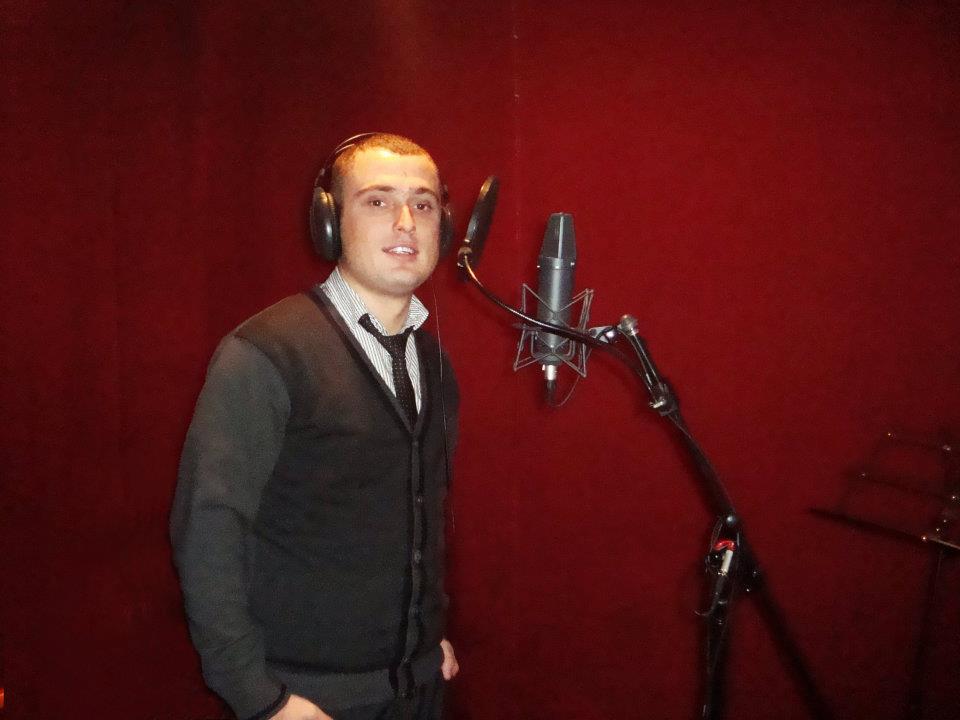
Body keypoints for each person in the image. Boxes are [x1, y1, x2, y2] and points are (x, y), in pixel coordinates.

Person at [170, 133, 460, 720]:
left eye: (423, 204)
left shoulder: (434, 361)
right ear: (330, 223)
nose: (406, 221)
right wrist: (258, 696)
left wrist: (427, 638)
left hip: (420, 685)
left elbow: (417, 519)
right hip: (306, 700)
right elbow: (209, 528)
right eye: (377, 201)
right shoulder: (264, 352)